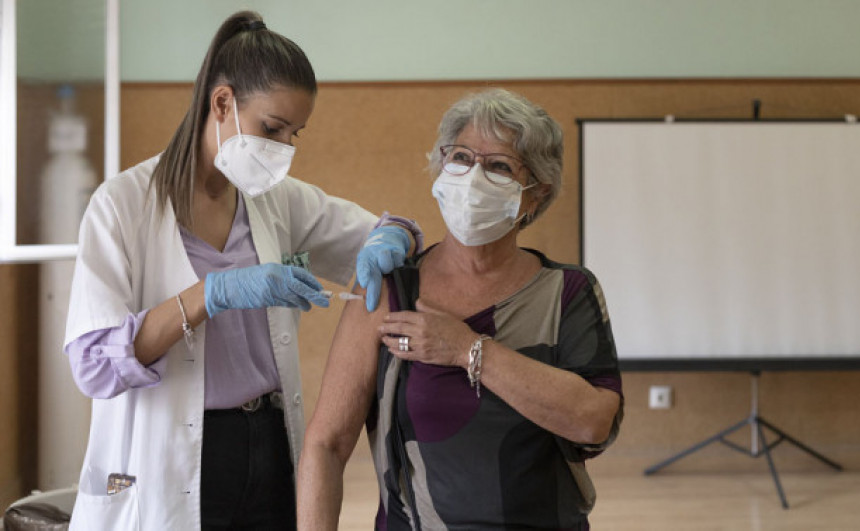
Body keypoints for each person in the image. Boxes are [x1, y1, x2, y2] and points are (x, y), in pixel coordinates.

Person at [63, 11, 421, 530]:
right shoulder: (121, 206)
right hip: (172, 454)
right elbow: (94, 364)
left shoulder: (276, 200)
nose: (283, 149)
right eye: (271, 129)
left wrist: (393, 237)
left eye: (294, 134)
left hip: (270, 443)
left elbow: (391, 231)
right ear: (223, 102)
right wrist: (211, 294)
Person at [297, 88, 624, 529]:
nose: (473, 177)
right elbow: (326, 445)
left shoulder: (566, 292)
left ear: (534, 195)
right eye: (461, 157)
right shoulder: (392, 287)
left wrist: (469, 349)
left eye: (499, 166)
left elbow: (593, 422)